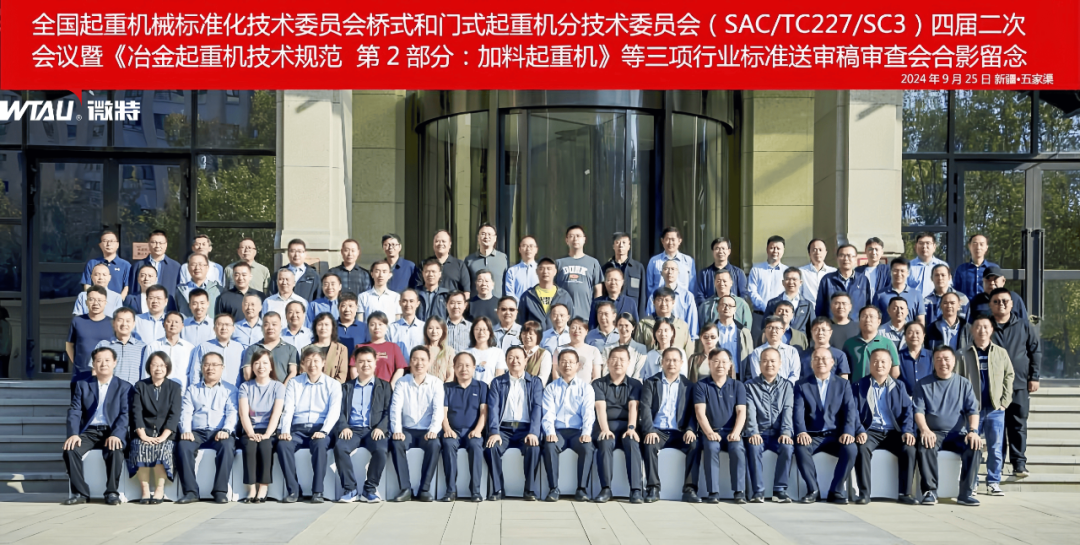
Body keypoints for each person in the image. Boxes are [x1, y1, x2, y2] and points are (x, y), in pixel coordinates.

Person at [61, 347, 132, 506]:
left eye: (107, 360)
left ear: (114, 363)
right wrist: (73, 434)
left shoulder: (124, 387)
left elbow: (125, 414)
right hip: (90, 431)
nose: (103, 364)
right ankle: (80, 493)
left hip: (111, 431)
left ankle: (112, 492)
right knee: (70, 450)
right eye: (99, 361)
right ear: (93, 364)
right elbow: (75, 410)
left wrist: (117, 434)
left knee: (115, 449)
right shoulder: (82, 385)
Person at [913, 346, 982, 506]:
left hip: (958, 434)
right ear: (933, 362)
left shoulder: (964, 384)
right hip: (934, 433)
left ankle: (966, 493)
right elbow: (918, 411)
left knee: (974, 446)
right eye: (938, 359)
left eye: (946, 359)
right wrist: (925, 430)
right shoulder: (922, 384)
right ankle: (930, 491)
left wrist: (973, 431)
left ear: (954, 361)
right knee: (925, 445)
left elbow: (973, 410)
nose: (942, 363)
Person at [275, 346, 342, 503]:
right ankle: (294, 490)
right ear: (303, 363)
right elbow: (288, 409)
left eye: (316, 360)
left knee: (320, 444)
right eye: (308, 361)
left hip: (320, 428)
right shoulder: (294, 383)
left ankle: (317, 491)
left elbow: (334, 412)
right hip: (297, 429)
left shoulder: (333, 384)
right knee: (283, 445)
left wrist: (324, 431)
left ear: (323, 363)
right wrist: (285, 430)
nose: (312, 364)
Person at [852, 349, 918, 505]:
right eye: (875, 361)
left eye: (883, 361)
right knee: (861, 448)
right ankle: (864, 493)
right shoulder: (859, 385)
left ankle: (905, 493)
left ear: (890, 365)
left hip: (894, 432)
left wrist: (907, 431)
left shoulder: (899, 386)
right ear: (870, 364)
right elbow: (852, 412)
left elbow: (908, 411)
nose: (879, 365)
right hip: (870, 431)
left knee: (909, 449)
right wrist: (859, 430)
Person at [958, 315, 1015, 497]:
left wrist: (1004, 402)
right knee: (972, 446)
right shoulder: (962, 354)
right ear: (971, 330)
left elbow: (1009, 376)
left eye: (986, 327)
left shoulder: (1001, 353)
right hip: (972, 411)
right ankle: (972, 482)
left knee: (995, 447)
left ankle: (993, 482)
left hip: (995, 409)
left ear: (991, 330)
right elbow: (957, 380)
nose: (982, 330)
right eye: (978, 327)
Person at [988, 287, 1041, 478]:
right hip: (993, 387)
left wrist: (1034, 377)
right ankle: (997, 465)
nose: (1001, 304)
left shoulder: (1024, 325)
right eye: (996, 301)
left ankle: (1019, 464)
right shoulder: (986, 326)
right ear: (990, 305)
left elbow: (1035, 351)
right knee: (997, 427)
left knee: (1018, 425)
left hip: (1018, 384)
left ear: (1011, 304)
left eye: (1005, 301)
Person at [792, 348, 857, 504]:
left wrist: (848, 432)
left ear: (832, 362)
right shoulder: (801, 385)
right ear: (811, 363)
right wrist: (801, 431)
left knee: (851, 449)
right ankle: (813, 490)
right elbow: (797, 412)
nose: (820, 362)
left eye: (824, 359)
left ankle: (836, 490)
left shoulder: (843, 384)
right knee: (800, 447)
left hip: (836, 435)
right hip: (812, 435)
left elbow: (850, 410)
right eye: (816, 359)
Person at [638, 347, 701, 503]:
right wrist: (649, 430)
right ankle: (653, 488)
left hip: (680, 432)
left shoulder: (689, 386)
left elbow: (694, 412)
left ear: (681, 363)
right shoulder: (651, 382)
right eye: (667, 360)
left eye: (675, 360)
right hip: (657, 431)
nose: (671, 363)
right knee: (649, 444)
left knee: (694, 444)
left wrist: (691, 429)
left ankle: (690, 489)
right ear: (662, 362)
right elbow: (645, 408)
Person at [175, 352, 238, 504]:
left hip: (220, 432)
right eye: (207, 364)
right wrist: (186, 431)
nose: (210, 368)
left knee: (228, 446)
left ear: (222, 368)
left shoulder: (230, 390)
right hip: (197, 432)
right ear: (202, 367)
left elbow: (232, 412)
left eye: (215, 365)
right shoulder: (192, 389)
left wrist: (226, 430)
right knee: (183, 446)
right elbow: (186, 412)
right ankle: (191, 492)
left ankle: (220, 491)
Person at [334, 346, 392, 503]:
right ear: (355, 364)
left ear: (375, 363)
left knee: (381, 449)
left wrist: (381, 428)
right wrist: (344, 426)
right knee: (340, 447)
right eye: (361, 361)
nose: (365, 365)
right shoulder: (346, 387)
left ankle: (370, 489)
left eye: (369, 361)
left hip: (374, 430)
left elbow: (389, 411)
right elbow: (338, 411)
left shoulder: (384, 386)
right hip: (352, 430)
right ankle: (350, 489)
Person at [485, 345, 544, 501]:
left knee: (534, 447)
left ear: (525, 361)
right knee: (491, 448)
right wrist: (494, 432)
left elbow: (537, 408)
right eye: (510, 357)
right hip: (503, 429)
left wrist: (533, 432)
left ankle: (529, 490)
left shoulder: (535, 382)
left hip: (525, 429)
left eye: (518, 357)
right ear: (506, 361)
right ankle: (498, 489)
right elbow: (493, 408)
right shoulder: (497, 382)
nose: (514, 361)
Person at [389, 347, 445, 502]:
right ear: (410, 362)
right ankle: (405, 488)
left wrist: (434, 430)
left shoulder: (436, 383)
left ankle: (424, 489)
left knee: (435, 444)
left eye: (423, 359)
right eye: (415, 359)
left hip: (427, 431)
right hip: (407, 430)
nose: (419, 363)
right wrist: (397, 430)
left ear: (429, 362)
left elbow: (438, 410)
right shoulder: (402, 382)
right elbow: (395, 408)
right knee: (396, 443)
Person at [540, 349, 596, 502]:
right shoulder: (551, 387)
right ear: (558, 365)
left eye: (571, 362)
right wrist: (550, 432)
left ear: (578, 365)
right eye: (563, 361)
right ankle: (553, 489)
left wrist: (586, 432)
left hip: (577, 431)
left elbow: (588, 413)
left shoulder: (586, 388)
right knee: (549, 446)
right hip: (558, 431)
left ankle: (581, 489)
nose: (567, 365)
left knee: (587, 447)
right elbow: (548, 413)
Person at [693, 349, 748, 504]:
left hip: (732, 432)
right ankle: (713, 492)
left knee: (737, 449)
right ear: (709, 363)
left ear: (730, 364)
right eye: (716, 361)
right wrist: (709, 432)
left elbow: (741, 412)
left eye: (724, 362)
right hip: (711, 432)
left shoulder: (738, 386)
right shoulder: (701, 385)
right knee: (711, 448)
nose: (720, 365)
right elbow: (700, 412)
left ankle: (739, 491)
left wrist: (736, 432)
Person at [590, 347, 644, 503]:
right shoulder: (598, 383)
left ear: (628, 363)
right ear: (607, 362)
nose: (618, 363)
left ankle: (636, 490)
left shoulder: (635, 384)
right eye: (614, 359)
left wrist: (631, 428)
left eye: (622, 359)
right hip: (606, 425)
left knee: (632, 441)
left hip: (627, 426)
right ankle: (606, 489)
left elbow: (633, 406)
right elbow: (600, 408)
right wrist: (605, 429)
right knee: (605, 441)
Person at [129, 352, 182, 504]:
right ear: (149, 367)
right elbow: (136, 412)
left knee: (163, 448)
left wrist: (163, 437)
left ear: (167, 367)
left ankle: (159, 489)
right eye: (154, 365)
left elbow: (174, 415)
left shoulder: (174, 387)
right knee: (141, 447)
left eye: (162, 365)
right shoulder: (140, 386)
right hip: (143, 431)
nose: (158, 369)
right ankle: (145, 491)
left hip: (166, 433)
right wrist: (143, 435)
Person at [744, 348, 795, 503]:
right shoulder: (749, 386)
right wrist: (753, 432)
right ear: (760, 364)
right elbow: (750, 411)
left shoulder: (787, 386)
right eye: (765, 361)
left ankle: (780, 490)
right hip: (759, 432)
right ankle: (758, 491)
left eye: (773, 361)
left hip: (778, 433)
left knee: (787, 447)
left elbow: (788, 410)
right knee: (753, 447)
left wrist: (786, 432)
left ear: (780, 363)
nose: (769, 364)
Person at [439, 352, 489, 502]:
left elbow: (484, 412)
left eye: (467, 365)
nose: (464, 369)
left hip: (473, 431)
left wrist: (478, 430)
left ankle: (475, 491)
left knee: (475, 446)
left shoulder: (482, 387)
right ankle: (450, 490)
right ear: (454, 368)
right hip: (453, 431)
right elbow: (443, 412)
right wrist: (447, 429)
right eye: (459, 365)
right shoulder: (446, 387)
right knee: (448, 444)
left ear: (474, 368)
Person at [237, 348, 285, 503]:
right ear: (252, 366)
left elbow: (276, 414)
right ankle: (251, 489)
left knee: (265, 445)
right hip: (249, 429)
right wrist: (251, 433)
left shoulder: (278, 387)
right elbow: (244, 414)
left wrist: (267, 435)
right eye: (257, 363)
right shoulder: (245, 387)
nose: (261, 366)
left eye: (265, 363)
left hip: (270, 430)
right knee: (250, 445)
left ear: (271, 366)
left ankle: (263, 487)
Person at [556, 225, 604, 322]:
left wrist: (596, 314)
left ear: (584, 239)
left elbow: (598, 291)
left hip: (586, 317)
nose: (575, 239)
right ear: (566, 240)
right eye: (571, 236)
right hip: (563, 319)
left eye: (578, 236)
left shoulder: (593, 263)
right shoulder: (559, 263)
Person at [66, 286, 115, 380]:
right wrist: (77, 364)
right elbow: (69, 345)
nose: (96, 303)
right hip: (81, 374)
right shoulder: (77, 321)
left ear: (105, 302)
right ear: (86, 302)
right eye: (91, 299)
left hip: (105, 375)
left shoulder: (113, 323)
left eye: (99, 300)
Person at [842, 306, 901, 383]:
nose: (867, 320)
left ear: (879, 321)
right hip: (855, 388)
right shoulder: (849, 343)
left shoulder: (888, 344)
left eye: (871, 316)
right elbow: (843, 371)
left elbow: (895, 372)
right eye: (864, 316)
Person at [240, 312, 300, 384]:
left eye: (274, 324)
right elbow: (247, 375)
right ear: (262, 327)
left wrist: (282, 388)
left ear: (281, 327)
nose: (270, 327)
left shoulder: (291, 349)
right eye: (266, 324)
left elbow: (293, 372)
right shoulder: (252, 349)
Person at [645, 260, 699, 340]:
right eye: (666, 269)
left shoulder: (687, 296)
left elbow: (692, 324)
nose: (670, 272)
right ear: (661, 273)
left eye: (673, 269)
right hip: (659, 339)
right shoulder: (654, 296)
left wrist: (691, 341)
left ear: (678, 272)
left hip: (681, 339)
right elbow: (648, 321)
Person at [816, 244, 872, 321]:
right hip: (833, 325)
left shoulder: (863, 280)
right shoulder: (827, 280)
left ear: (855, 258)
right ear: (837, 258)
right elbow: (819, 308)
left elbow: (868, 306)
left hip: (856, 325)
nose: (846, 259)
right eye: (842, 255)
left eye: (849, 256)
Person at [93, 307, 147, 386]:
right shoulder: (103, 345)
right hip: (109, 391)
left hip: (133, 391)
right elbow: (94, 371)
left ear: (133, 324)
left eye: (128, 321)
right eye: (120, 320)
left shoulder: (142, 347)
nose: (124, 324)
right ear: (113, 323)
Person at [190, 313, 246, 388]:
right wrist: (195, 390)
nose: (224, 328)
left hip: (234, 392)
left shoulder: (240, 348)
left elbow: (243, 373)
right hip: (208, 391)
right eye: (220, 324)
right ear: (214, 328)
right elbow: (195, 372)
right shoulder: (203, 347)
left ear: (233, 328)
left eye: (227, 324)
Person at [634, 288, 695, 355]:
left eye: (667, 300)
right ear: (653, 302)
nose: (663, 303)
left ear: (673, 303)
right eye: (659, 300)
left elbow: (689, 353)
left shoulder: (682, 326)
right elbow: (637, 350)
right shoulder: (643, 324)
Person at [145, 312, 195, 391]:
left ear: (182, 325)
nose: (173, 324)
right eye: (169, 321)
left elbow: (192, 374)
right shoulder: (153, 346)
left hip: (182, 392)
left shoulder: (190, 348)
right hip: (157, 392)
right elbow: (146, 372)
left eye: (176, 322)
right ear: (163, 324)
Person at [518, 257, 574, 329]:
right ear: (536, 271)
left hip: (556, 335)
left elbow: (571, 321)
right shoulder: (527, 296)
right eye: (541, 268)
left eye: (549, 269)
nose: (545, 272)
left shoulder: (564, 296)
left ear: (555, 272)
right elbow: (521, 323)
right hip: (535, 335)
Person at [602, 232, 648, 317]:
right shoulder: (606, 268)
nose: (621, 245)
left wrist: (641, 318)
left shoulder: (638, 268)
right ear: (613, 246)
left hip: (630, 315)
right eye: (617, 242)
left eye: (624, 242)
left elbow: (642, 296)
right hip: (611, 314)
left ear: (629, 246)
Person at [744, 316, 800, 384]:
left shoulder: (792, 351)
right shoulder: (757, 352)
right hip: (763, 389)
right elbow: (757, 376)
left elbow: (795, 375)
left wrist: (785, 388)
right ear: (765, 330)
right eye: (770, 327)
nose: (773, 331)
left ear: (783, 331)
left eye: (777, 328)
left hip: (788, 389)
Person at [694, 237, 748, 306]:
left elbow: (744, 295)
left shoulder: (739, 273)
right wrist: (711, 309)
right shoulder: (703, 274)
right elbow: (699, 296)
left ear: (729, 251)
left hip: (733, 310)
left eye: (723, 248)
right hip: (710, 311)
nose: (720, 251)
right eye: (717, 248)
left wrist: (733, 308)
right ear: (712, 252)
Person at [646, 227, 697, 301]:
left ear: (679, 241)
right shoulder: (654, 261)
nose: (670, 243)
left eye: (673, 239)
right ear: (662, 241)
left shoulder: (688, 261)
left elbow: (692, 287)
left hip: (682, 303)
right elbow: (649, 287)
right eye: (667, 239)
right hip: (661, 303)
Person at [358, 311, 408, 386]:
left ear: (386, 326)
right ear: (368, 327)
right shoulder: (360, 347)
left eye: (380, 324)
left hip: (387, 388)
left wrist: (391, 386)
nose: (377, 327)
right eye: (372, 324)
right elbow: (354, 369)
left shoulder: (394, 347)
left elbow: (400, 369)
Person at [128, 230, 182, 298]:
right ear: (148, 244)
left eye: (161, 243)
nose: (157, 246)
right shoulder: (138, 266)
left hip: (167, 303)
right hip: (142, 303)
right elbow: (132, 289)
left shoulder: (175, 267)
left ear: (166, 244)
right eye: (154, 242)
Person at [414, 230, 471, 296]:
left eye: (443, 241)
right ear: (433, 244)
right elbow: (417, 289)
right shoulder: (424, 264)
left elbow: (466, 292)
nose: (440, 244)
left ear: (450, 244)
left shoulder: (459, 265)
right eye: (437, 241)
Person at [874, 258, 926, 327]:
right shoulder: (880, 295)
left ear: (908, 273)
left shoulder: (916, 295)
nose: (899, 274)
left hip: (908, 333)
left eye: (902, 271)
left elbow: (920, 320)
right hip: (885, 333)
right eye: (895, 270)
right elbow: (875, 319)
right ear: (890, 272)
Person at [81, 230, 131, 299]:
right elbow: (87, 285)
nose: (108, 244)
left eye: (112, 241)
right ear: (100, 245)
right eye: (105, 241)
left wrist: (118, 302)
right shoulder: (92, 263)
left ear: (117, 245)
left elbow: (126, 287)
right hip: (96, 302)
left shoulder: (125, 265)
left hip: (117, 302)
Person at [464, 223, 509, 298]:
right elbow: (466, 286)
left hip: (498, 302)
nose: (486, 237)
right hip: (476, 303)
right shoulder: (469, 260)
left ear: (495, 238)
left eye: (489, 234)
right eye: (483, 234)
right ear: (478, 238)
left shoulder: (503, 258)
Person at [765, 267, 814, 334]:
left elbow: (812, 329)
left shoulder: (807, 305)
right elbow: (765, 327)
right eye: (787, 279)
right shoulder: (772, 303)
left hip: (799, 340)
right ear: (783, 282)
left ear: (800, 282)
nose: (791, 282)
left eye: (794, 279)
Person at [554, 317, 604, 382]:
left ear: (586, 331)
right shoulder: (558, 350)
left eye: (580, 328)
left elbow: (596, 377)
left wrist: (587, 387)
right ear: (569, 331)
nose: (576, 331)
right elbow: (555, 374)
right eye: (573, 328)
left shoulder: (594, 351)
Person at [748, 235, 789, 313]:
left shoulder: (787, 271)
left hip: (780, 314)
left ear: (783, 250)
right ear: (767, 249)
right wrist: (765, 307)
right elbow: (752, 292)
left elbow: (789, 293)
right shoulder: (756, 270)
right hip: (759, 313)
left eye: (778, 248)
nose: (775, 251)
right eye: (772, 248)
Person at [175, 254, 221, 319]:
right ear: (188, 268)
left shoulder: (218, 289)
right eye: (193, 264)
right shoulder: (179, 291)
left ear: (207, 267)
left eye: (201, 264)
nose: (197, 268)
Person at [954, 234, 997, 301]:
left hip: (987, 305)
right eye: (975, 244)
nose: (978, 247)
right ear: (969, 246)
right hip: (967, 306)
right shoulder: (961, 269)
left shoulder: (994, 268)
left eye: (981, 244)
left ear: (986, 247)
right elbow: (956, 291)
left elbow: (999, 290)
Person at [309, 312, 350, 382]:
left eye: (326, 324)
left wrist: (331, 387)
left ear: (332, 327)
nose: (323, 328)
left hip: (334, 387)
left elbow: (342, 374)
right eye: (320, 324)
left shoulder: (341, 349)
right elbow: (304, 373)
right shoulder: (307, 349)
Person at [605, 313, 649, 378]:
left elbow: (638, 374)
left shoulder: (641, 349)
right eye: (620, 325)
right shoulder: (608, 348)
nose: (623, 328)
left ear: (633, 327)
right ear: (616, 327)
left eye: (626, 325)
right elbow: (605, 372)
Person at [465, 317, 508, 384]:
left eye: (484, 329)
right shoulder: (465, 353)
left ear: (490, 332)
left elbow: (499, 377)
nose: (481, 332)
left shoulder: (497, 352)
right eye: (477, 329)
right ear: (473, 332)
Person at [897, 321, 934, 396]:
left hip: (928, 398)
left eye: (917, 333)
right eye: (910, 332)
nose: (914, 336)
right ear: (905, 336)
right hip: (905, 398)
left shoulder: (932, 355)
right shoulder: (898, 356)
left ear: (923, 335)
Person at [908, 233, 949, 299]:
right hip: (913, 303)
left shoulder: (943, 266)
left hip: (936, 303)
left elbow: (948, 287)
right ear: (916, 246)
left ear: (934, 247)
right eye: (921, 243)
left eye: (928, 243)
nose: (924, 246)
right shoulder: (908, 266)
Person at [799, 239, 836, 310]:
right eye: (814, 250)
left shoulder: (833, 272)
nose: (817, 252)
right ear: (809, 253)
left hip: (829, 311)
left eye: (820, 250)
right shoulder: (801, 272)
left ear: (825, 253)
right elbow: (798, 294)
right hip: (809, 312)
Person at [388, 289, 425, 355]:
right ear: (400, 303)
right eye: (404, 301)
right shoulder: (391, 329)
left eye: (411, 301)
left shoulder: (424, 327)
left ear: (417, 304)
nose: (408, 304)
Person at [504, 235, 540, 301]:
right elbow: (510, 294)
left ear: (536, 249)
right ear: (520, 249)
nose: (528, 249)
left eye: (531, 246)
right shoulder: (512, 271)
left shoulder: (541, 270)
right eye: (524, 246)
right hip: (518, 306)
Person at [422, 316, 456, 382]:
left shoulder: (449, 351)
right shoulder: (421, 350)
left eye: (438, 328)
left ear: (443, 330)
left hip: (443, 386)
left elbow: (451, 376)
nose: (434, 331)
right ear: (426, 331)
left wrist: (443, 387)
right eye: (430, 328)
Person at [521, 320, 554, 385]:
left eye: (531, 334)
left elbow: (542, 379)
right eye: (524, 333)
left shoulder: (545, 354)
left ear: (538, 336)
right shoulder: (515, 350)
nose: (527, 336)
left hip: (534, 389)